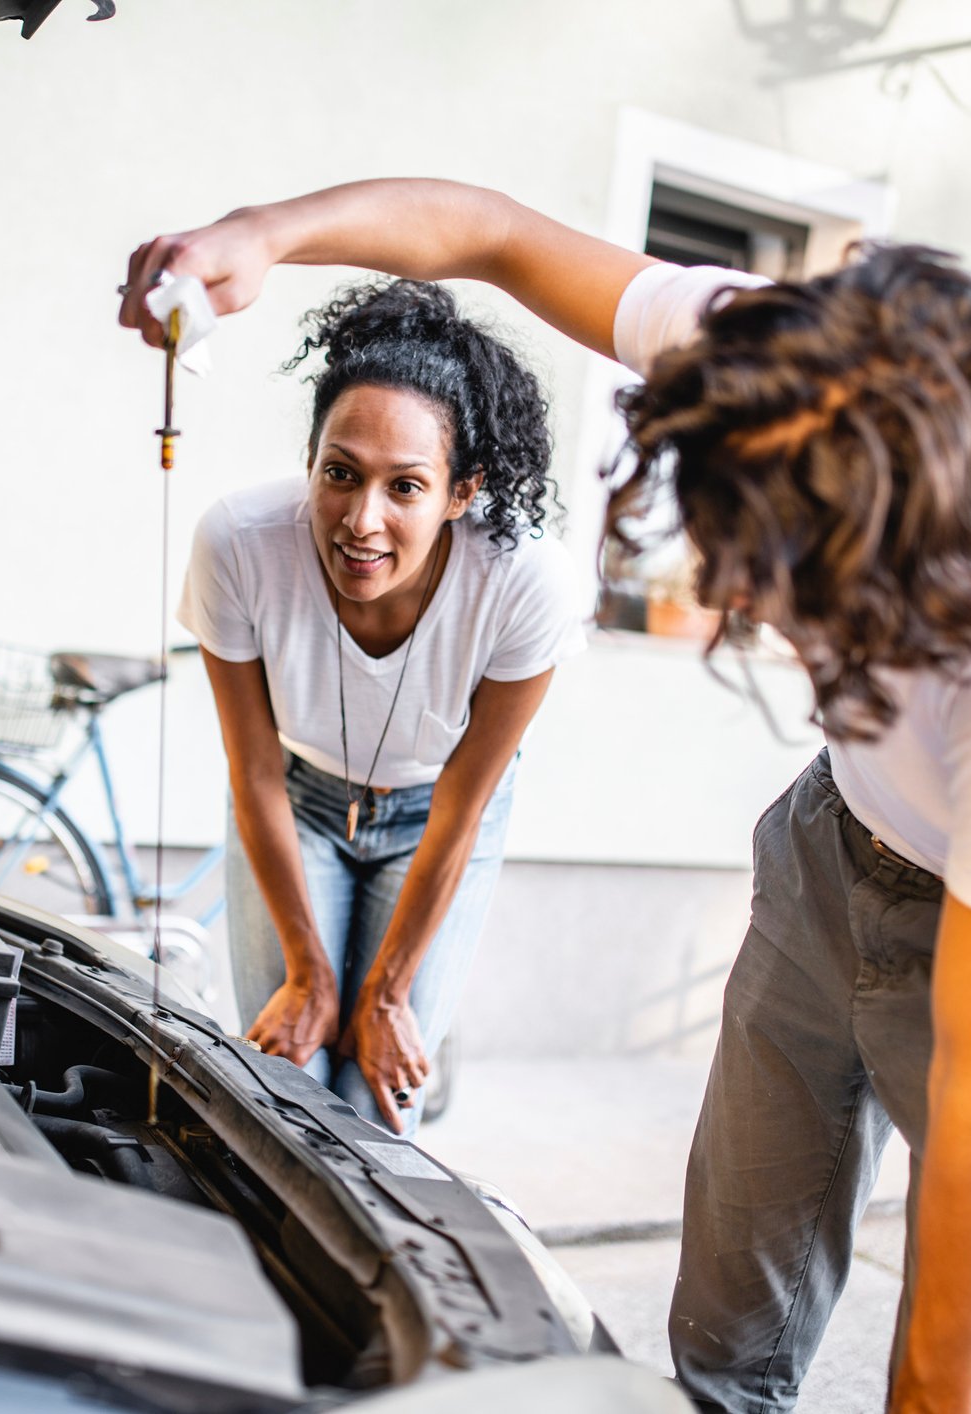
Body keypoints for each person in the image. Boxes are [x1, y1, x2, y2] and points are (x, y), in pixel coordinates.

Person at [122, 181, 971, 1413]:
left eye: (779, 578)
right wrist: (262, 238)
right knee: (727, 1340)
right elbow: (498, 238)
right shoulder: (789, 373)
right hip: (838, 849)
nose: (751, 606)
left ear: (887, 552)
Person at [176, 278, 588, 1138]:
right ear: (312, 457)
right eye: (340, 474)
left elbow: (462, 805)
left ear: (460, 492)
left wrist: (389, 991)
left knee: (375, 1102)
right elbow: (252, 771)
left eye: (405, 487)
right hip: (294, 801)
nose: (361, 521)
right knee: (284, 1080)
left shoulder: (524, 583)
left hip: (436, 818)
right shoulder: (239, 545)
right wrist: (310, 976)